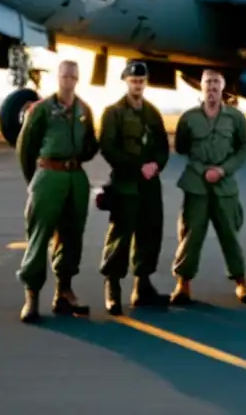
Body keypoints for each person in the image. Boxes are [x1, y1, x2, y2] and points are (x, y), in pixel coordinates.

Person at [15, 60, 100, 323]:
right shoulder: (41, 110)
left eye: (73, 76)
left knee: (72, 237)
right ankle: (31, 297)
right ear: (58, 78)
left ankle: (64, 292)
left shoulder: (84, 109)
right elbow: (25, 147)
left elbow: (90, 143)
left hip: (75, 179)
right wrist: (37, 180)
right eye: (64, 76)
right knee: (39, 237)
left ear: (77, 79)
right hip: (48, 176)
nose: (68, 81)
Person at [170, 69, 246, 306]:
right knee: (190, 235)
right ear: (201, 87)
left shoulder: (235, 118)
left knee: (230, 235)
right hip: (196, 186)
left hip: (225, 185)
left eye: (216, 82)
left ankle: (241, 282)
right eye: (208, 83)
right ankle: (183, 284)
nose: (212, 87)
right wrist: (202, 169)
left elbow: (244, 148)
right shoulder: (188, 118)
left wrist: (223, 170)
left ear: (223, 86)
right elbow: (181, 146)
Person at [98, 60, 170, 314]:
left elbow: (163, 146)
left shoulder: (152, 113)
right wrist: (136, 167)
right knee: (120, 236)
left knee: (151, 232)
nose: (137, 85)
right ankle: (113, 287)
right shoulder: (113, 113)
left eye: (141, 81)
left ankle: (143, 285)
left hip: (150, 184)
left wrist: (156, 166)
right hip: (125, 184)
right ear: (126, 81)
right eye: (133, 81)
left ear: (145, 82)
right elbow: (108, 148)